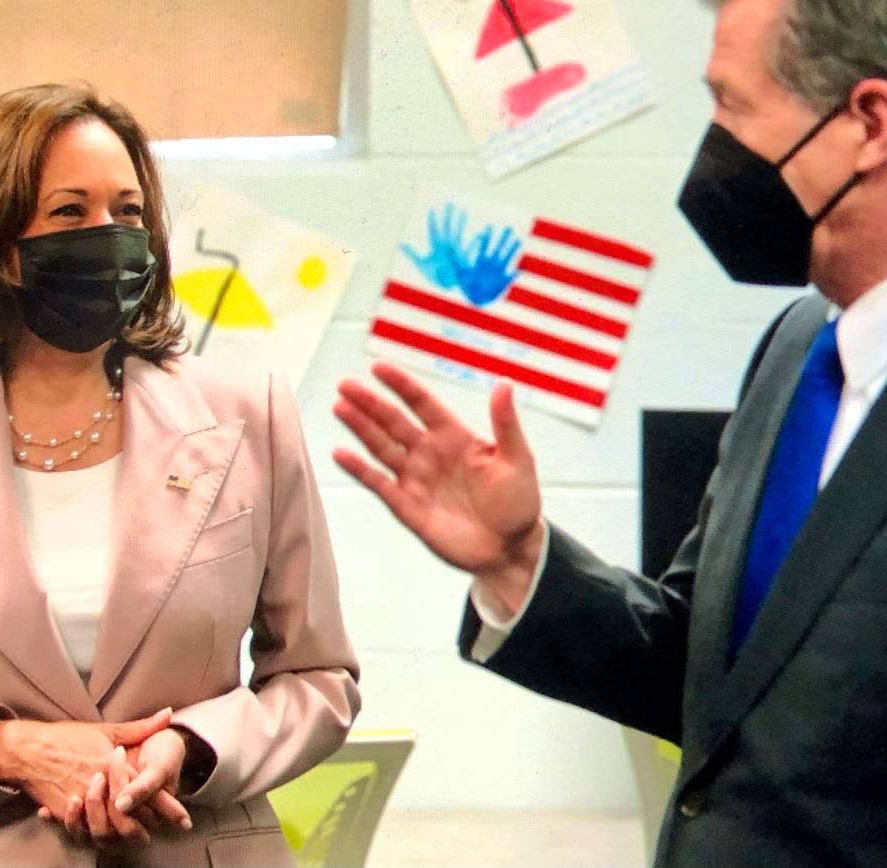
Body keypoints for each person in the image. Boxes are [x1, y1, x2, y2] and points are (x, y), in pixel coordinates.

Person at [333, 0, 887, 865]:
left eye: (732, 105)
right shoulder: (792, 352)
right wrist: (519, 564)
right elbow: (711, 685)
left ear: (870, 124)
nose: (714, 144)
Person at [0, 83, 360, 868]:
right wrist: (3, 747)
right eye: (70, 213)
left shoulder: (249, 417)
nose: (110, 237)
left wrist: (191, 749)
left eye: (127, 212)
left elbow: (317, 679)